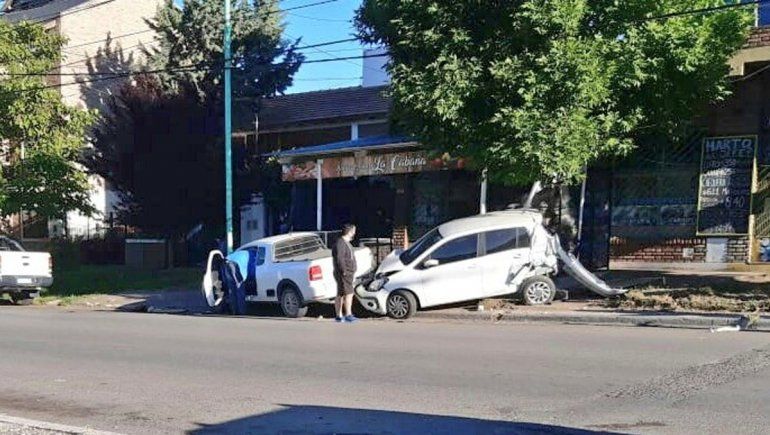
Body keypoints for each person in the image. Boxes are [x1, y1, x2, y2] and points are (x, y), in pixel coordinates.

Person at [332, 223, 358, 323]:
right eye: (353, 230)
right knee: (349, 293)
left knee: (341, 293)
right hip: (344, 273)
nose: (354, 232)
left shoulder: (346, 242)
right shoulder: (341, 243)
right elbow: (340, 258)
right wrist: (344, 270)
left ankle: (339, 315)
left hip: (346, 272)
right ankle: (348, 314)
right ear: (349, 231)